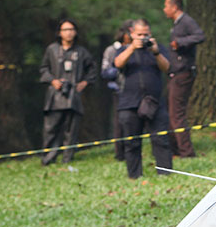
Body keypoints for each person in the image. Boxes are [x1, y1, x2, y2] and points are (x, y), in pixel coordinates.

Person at [114, 18, 174, 180]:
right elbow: (118, 64)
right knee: (132, 142)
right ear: (131, 34)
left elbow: (167, 68)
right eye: (139, 34)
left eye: (146, 34)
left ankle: (165, 173)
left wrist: (155, 52)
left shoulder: (157, 49)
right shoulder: (124, 49)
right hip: (129, 103)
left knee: (161, 139)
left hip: (154, 101)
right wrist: (132, 48)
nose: (143, 37)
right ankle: (134, 176)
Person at [39, 19, 96, 166]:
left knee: (71, 129)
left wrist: (84, 82)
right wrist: (52, 81)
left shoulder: (81, 51)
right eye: (65, 30)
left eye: (71, 29)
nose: (68, 33)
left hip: (73, 95)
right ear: (59, 33)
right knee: (51, 128)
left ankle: (67, 158)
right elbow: (43, 69)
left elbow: (93, 69)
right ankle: (48, 158)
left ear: (75, 32)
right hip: (55, 95)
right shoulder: (52, 49)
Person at [162, 0, 204, 158]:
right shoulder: (177, 24)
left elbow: (200, 36)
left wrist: (180, 43)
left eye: (166, 6)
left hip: (183, 72)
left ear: (174, 7)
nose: (164, 9)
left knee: (176, 114)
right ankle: (176, 149)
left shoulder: (186, 21)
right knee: (172, 112)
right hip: (175, 73)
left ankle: (186, 152)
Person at [101, 21, 131, 162]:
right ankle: (120, 153)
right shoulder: (111, 50)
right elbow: (105, 71)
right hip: (119, 90)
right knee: (119, 123)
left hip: (135, 90)